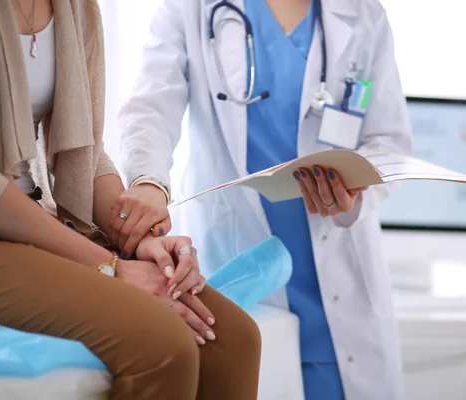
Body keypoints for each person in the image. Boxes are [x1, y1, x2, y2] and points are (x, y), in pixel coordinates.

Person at [0, 1, 261, 399]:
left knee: (235, 339)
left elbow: (82, 148)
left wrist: (135, 235)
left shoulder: (75, 7)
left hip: (32, 217)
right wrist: (110, 267)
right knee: (162, 342)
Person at [118, 0, 412, 398]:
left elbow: (389, 141)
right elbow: (152, 106)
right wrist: (149, 181)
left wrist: (359, 187)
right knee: (249, 372)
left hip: (335, 278)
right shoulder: (192, 8)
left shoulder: (362, 14)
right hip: (236, 256)